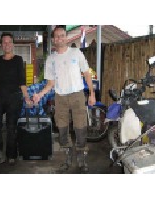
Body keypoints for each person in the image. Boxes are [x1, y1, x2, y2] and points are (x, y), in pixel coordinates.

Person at [33, 25, 96, 173]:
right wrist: (39, 94)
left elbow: (87, 74)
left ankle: (81, 160)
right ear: (53, 39)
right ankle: (68, 159)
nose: (59, 38)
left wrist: (92, 94)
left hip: (77, 96)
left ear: (66, 37)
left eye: (62, 35)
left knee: (80, 129)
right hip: (60, 97)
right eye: (57, 36)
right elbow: (50, 83)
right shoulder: (51, 59)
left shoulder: (76, 53)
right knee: (62, 130)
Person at [0, 32, 31, 167]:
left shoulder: (18, 60)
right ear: (1, 45)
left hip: (13, 98)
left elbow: (22, 81)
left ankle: (11, 154)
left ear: (13, 44)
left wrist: (26, 97)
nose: (6, 44)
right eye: (4, 42)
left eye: (9, 42)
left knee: (12, 128)